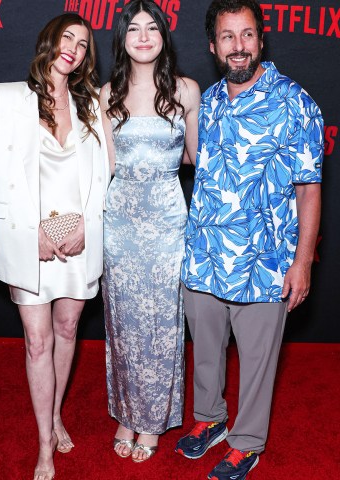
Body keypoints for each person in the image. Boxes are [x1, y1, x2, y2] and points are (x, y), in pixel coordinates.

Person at [175, 0, 323, 479]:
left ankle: (247, 441)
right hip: (204, 257)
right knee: (206, 350)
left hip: (264, 260)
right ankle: (210, 418)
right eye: (227, 37)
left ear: (261, 39)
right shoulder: (209, 101)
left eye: (247, 35)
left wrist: (302, 263)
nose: (238, 47)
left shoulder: (295, 102)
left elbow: (309, 189)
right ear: (213, 45)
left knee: (259, 360)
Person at [0, 14, 109, 480]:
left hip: (77, 237)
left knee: (68, 330)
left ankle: (56, 415)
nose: (73, 47)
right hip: (28, 239)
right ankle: (43, 448)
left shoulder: (93, 103)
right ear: (48, 40)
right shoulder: (7, 96)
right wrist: (17, 234)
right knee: (38, 341)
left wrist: (88, 229)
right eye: (66, 37)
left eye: (83, 43)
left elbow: (102, 177)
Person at [100, 0, 200, 463]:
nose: (143, 36)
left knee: (161, 324)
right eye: (133, 28)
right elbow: (106, 168)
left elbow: (196, 159)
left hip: (165, 222)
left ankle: (153, 420)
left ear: (164, 35)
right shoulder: (106, 95)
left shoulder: (186, 91)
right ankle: (126, 412)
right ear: (122, 39)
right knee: (122, 321)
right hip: (119, 222)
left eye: (152, 27)